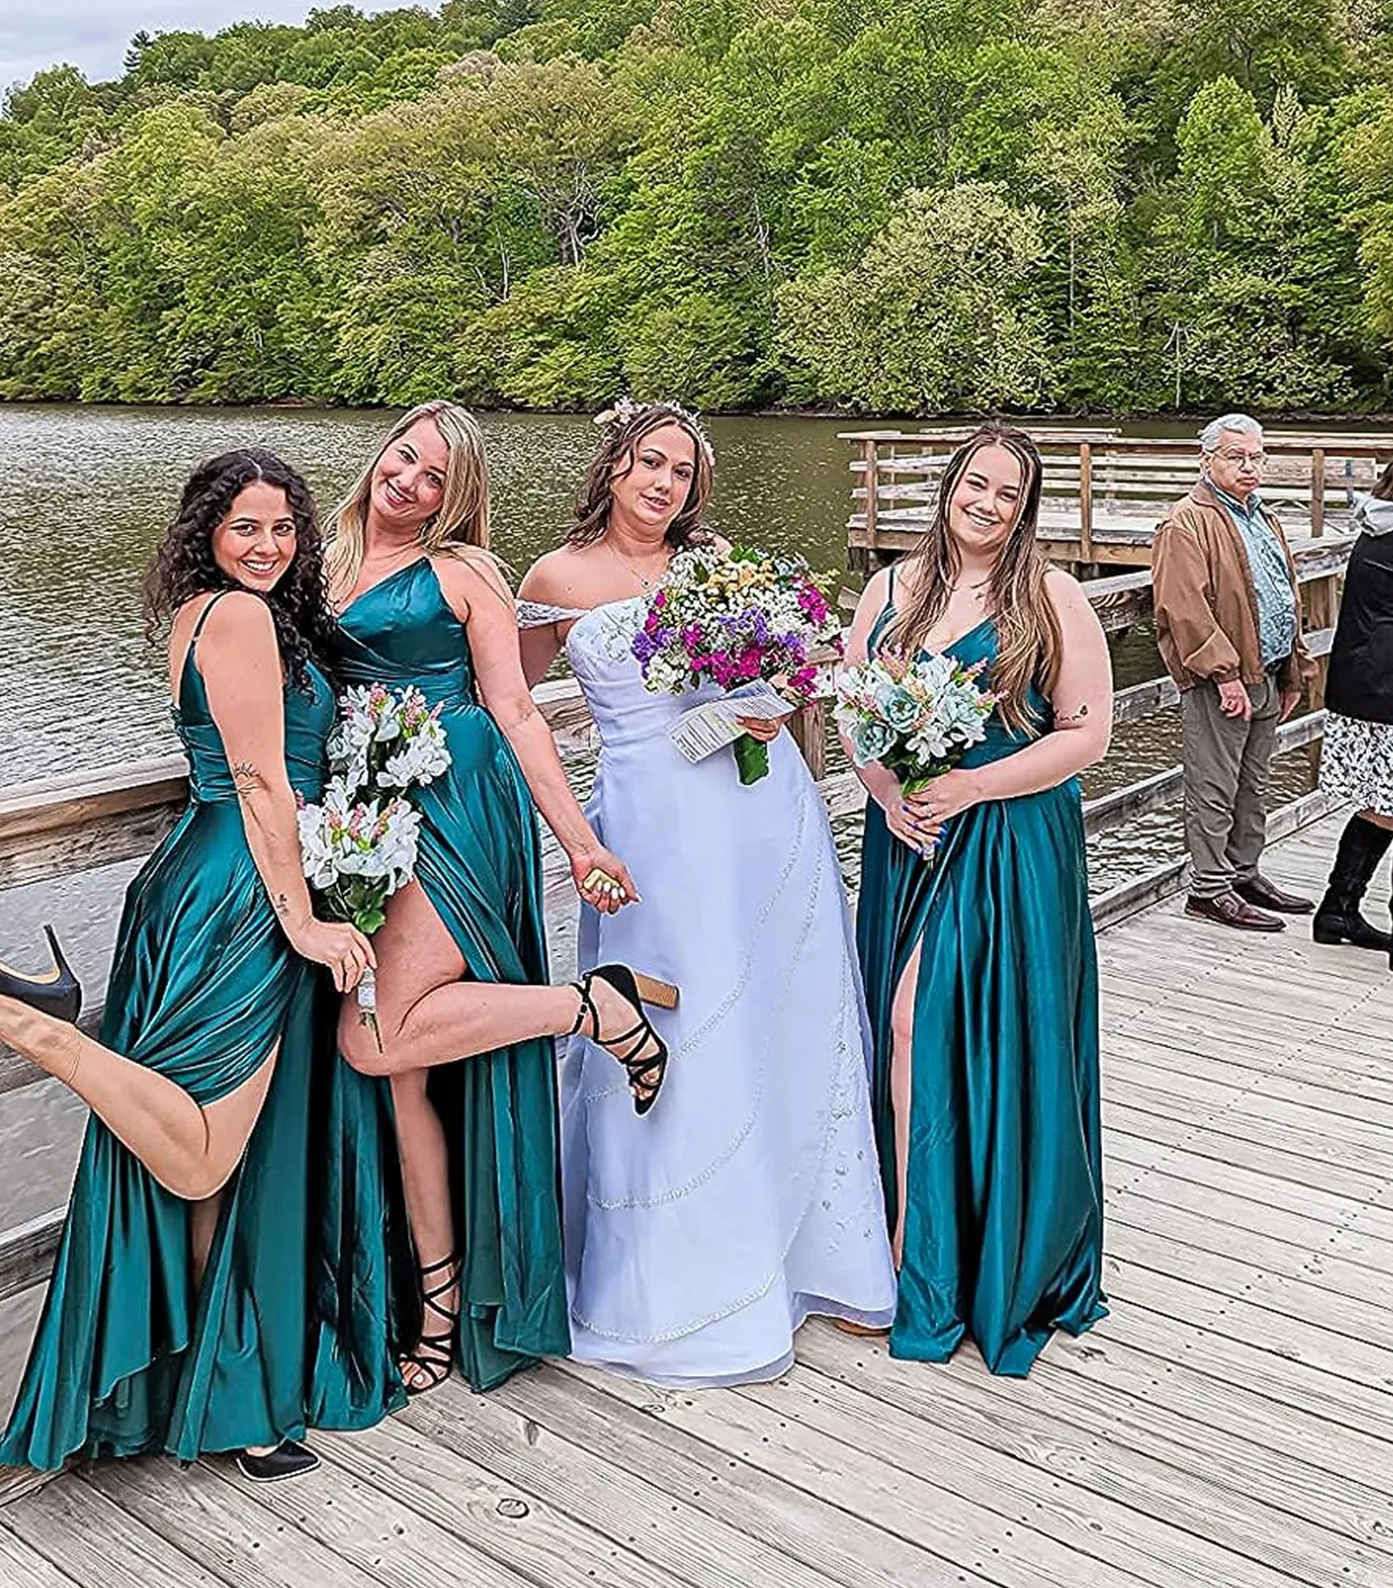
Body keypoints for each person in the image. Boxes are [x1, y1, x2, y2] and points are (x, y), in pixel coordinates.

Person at [0, 450, 397, 1480]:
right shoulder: (243, 618)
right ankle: (37, 1018)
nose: (267, 545)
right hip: (241, 894)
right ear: (205, 533)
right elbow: (261, 778)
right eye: (244, 527)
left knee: (225, 1166)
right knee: (207, 1154)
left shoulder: (200, 614)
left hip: (200, 873)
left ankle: (223, 1397)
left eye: (283, 528)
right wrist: (301, 920)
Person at [516, 401, 896, 1388]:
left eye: (681, 472)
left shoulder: (712, 560)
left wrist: (773, 699)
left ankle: (808, 1261)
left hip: (758, 818)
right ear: (613, 464)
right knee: (674, 1028)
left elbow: (790, 668)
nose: (663, 484)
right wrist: (566, 832)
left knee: (779, 1011)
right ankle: (679, 1287)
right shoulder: (554, 579)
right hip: (647, 831)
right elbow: (506, 711)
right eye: (649, 462)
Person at [325, 401, 675, 1397]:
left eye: (435, 476)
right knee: (397, 1077)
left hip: (453, 797)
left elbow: (514, 706)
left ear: (456, 497)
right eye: (404, 458)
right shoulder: (326, 555)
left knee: (376, 1036)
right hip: (361, 812)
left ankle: (590, 1006)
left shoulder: (465, 572)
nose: (409, 481)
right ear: (379, 455)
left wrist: (578, 840)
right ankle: (435, 1304)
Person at [844, 421, 1112, 1377]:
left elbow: (1086, 735)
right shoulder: (887, 588)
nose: (987, 503)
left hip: (1005, 834)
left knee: (930, 1019)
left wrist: (968, 787)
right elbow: (852, 714)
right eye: (976, 483)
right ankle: (908, 1236)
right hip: (906, 834)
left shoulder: (1049, 595)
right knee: (902, 1021)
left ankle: (929, 1264)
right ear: (950, 484)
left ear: (1025, 508)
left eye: (1008, 492)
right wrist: (887, 790)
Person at [1150, 413, 1317, 931]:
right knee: (1214, 787)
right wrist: (1223, 675)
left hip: (1265, 670)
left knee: (1254, 784)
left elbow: (1283, 594)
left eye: (1256, 457)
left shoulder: (1262, 516)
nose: (1249, 467)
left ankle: (1244, 874)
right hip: (1222, 679)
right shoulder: (1186, 521)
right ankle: (1208, 889)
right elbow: (1183, 607)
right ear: (1207, 461)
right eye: (1235, 457)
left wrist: (1292, 670)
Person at [1315, 459, 1393, 957]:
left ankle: (1338, 908)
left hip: (1368, 684)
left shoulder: (1376, 525)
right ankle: (1339, 908)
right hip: (1384, 690)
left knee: (1384, 807)